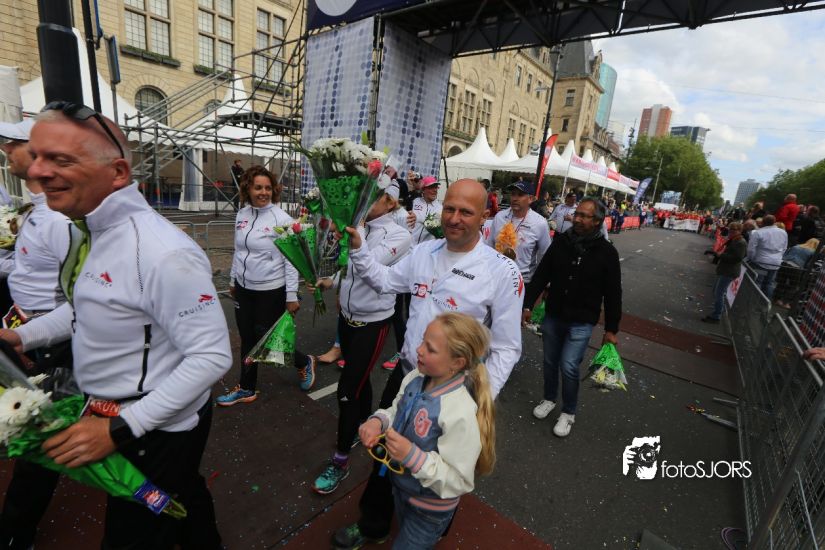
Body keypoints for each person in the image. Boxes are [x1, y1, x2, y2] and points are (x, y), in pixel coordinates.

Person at [0, 102, 231, 548]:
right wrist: (21, 336)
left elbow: (212, 356)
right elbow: (89, 307)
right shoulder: (87, 231)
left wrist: (118, 429)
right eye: (38, 156)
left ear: (119, 173)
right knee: (183, 495)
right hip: (120, 412)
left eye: (61, 159)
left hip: (154, 428)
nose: (39, 171)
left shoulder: (162, 252)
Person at [332, 179, 523, 549]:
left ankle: (424, 532)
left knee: (438, 473)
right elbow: (385, 281)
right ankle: (373, 525)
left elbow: (506, 348)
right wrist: (358, 249)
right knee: (384, 455)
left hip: (453, 394)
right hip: (407, 378)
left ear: (484, 216)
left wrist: (477, 399)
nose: (454, 218)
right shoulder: (424, 252)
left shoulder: (502, 271)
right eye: (449, 208)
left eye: (466, 211)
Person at [358, 312, 495, 550]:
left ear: (457, 363)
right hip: (401, 489)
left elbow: (459, 480)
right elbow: (396, 410)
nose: (419, 350)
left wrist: (412, 456)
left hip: (429, 511)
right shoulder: (415, 377)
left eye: (430, 349)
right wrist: (379, 422)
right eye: (422, 341)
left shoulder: (460, 411)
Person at [309, 182, 411, 494]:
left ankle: (340, 461)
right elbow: (348, 265)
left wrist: (356, 234)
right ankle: (363, 425)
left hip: (374, 323)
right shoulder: (360, 228)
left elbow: (370, 265)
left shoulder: (400, 234)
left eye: (374, 197)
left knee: (347, 389)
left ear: (390, 202)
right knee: (360, 380)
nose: (364, 202)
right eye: (364, 196)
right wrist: (331, 280)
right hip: (347, 319)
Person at [0, 118, 73, 550]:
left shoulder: (59, 220)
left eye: (13, 143)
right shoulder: (35, 210)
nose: (6, 150)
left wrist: (31, 335)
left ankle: (15, 532)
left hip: (51, 340)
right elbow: (26, 267)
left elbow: (83, 302)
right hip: (26, 328)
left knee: (41, 436)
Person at [522, 197, 621, 438]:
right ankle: (549, 398)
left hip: (582, 321)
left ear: (597, 221)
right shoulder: (561, 242)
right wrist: (527, 305)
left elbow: (613, 293)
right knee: (549, 361)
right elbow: (542, 274)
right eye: (577, 214)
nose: (577, 219)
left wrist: (611, 329)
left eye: (585, 216)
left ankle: (568, 411)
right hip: (554, 315)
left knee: (568, 366)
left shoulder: (607, 252)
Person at [217, 165, 317, 404]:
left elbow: (291, 260)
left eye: (268, 188)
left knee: (269, 340)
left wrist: (291, 295)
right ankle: (247, 388)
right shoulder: (242, 214)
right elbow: (238, 251)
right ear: (248, 189)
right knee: (247, 338)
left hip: (271, 290)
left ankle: (304, 362)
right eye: (258, 187)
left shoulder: (281, 219)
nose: (263, 192)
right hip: (244, 289)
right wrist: (233, 280)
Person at [484, 180, 551, 283]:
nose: (515, 198)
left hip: (522, 281)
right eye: (513, 194)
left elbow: (545, 255)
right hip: (497, 277)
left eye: (520, 195)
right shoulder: (500, 217)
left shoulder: (540, 223)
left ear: (531, 199)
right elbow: (490, 246)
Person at [701, 222, 747, 324]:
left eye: (733, 230)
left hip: (729, 271)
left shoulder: (740, 242)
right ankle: (717, 311)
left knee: (719, 293)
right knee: (716, 291)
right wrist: (716, 253)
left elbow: (737, 258)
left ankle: (716, 316)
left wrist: (719, 255)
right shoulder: (734, 240)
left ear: (739, 231)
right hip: (725, 269)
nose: (731, 232)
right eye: (730, 230)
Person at [747, 214, 788, 298]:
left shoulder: (758, 232)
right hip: (775, 263)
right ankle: (767, 302)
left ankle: (753, 301)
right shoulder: (783, 232)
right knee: (769, 283)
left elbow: (751, 249)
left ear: (762, 222)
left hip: (761, 262)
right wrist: (779, 257)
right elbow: (784, 248)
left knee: (758, 282)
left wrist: (752, 258)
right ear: (774, 222)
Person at [774, 238, 821, 309]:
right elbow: (808, 265)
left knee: (781, 283)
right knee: (794, 286)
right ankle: (785, 303)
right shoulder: (813, 252)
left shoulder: (796, 246)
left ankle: (776, 299)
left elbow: (785, 254)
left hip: (784, 264)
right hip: (796, 267)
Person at [407, 176, 442, 245]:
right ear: (423, 190)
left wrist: (417, 218)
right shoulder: (415, 201)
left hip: (426, 248)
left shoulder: (440, 208)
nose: (435, 190)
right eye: (431, 187)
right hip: (409, 245)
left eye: (436, 187)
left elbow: (433, 224)